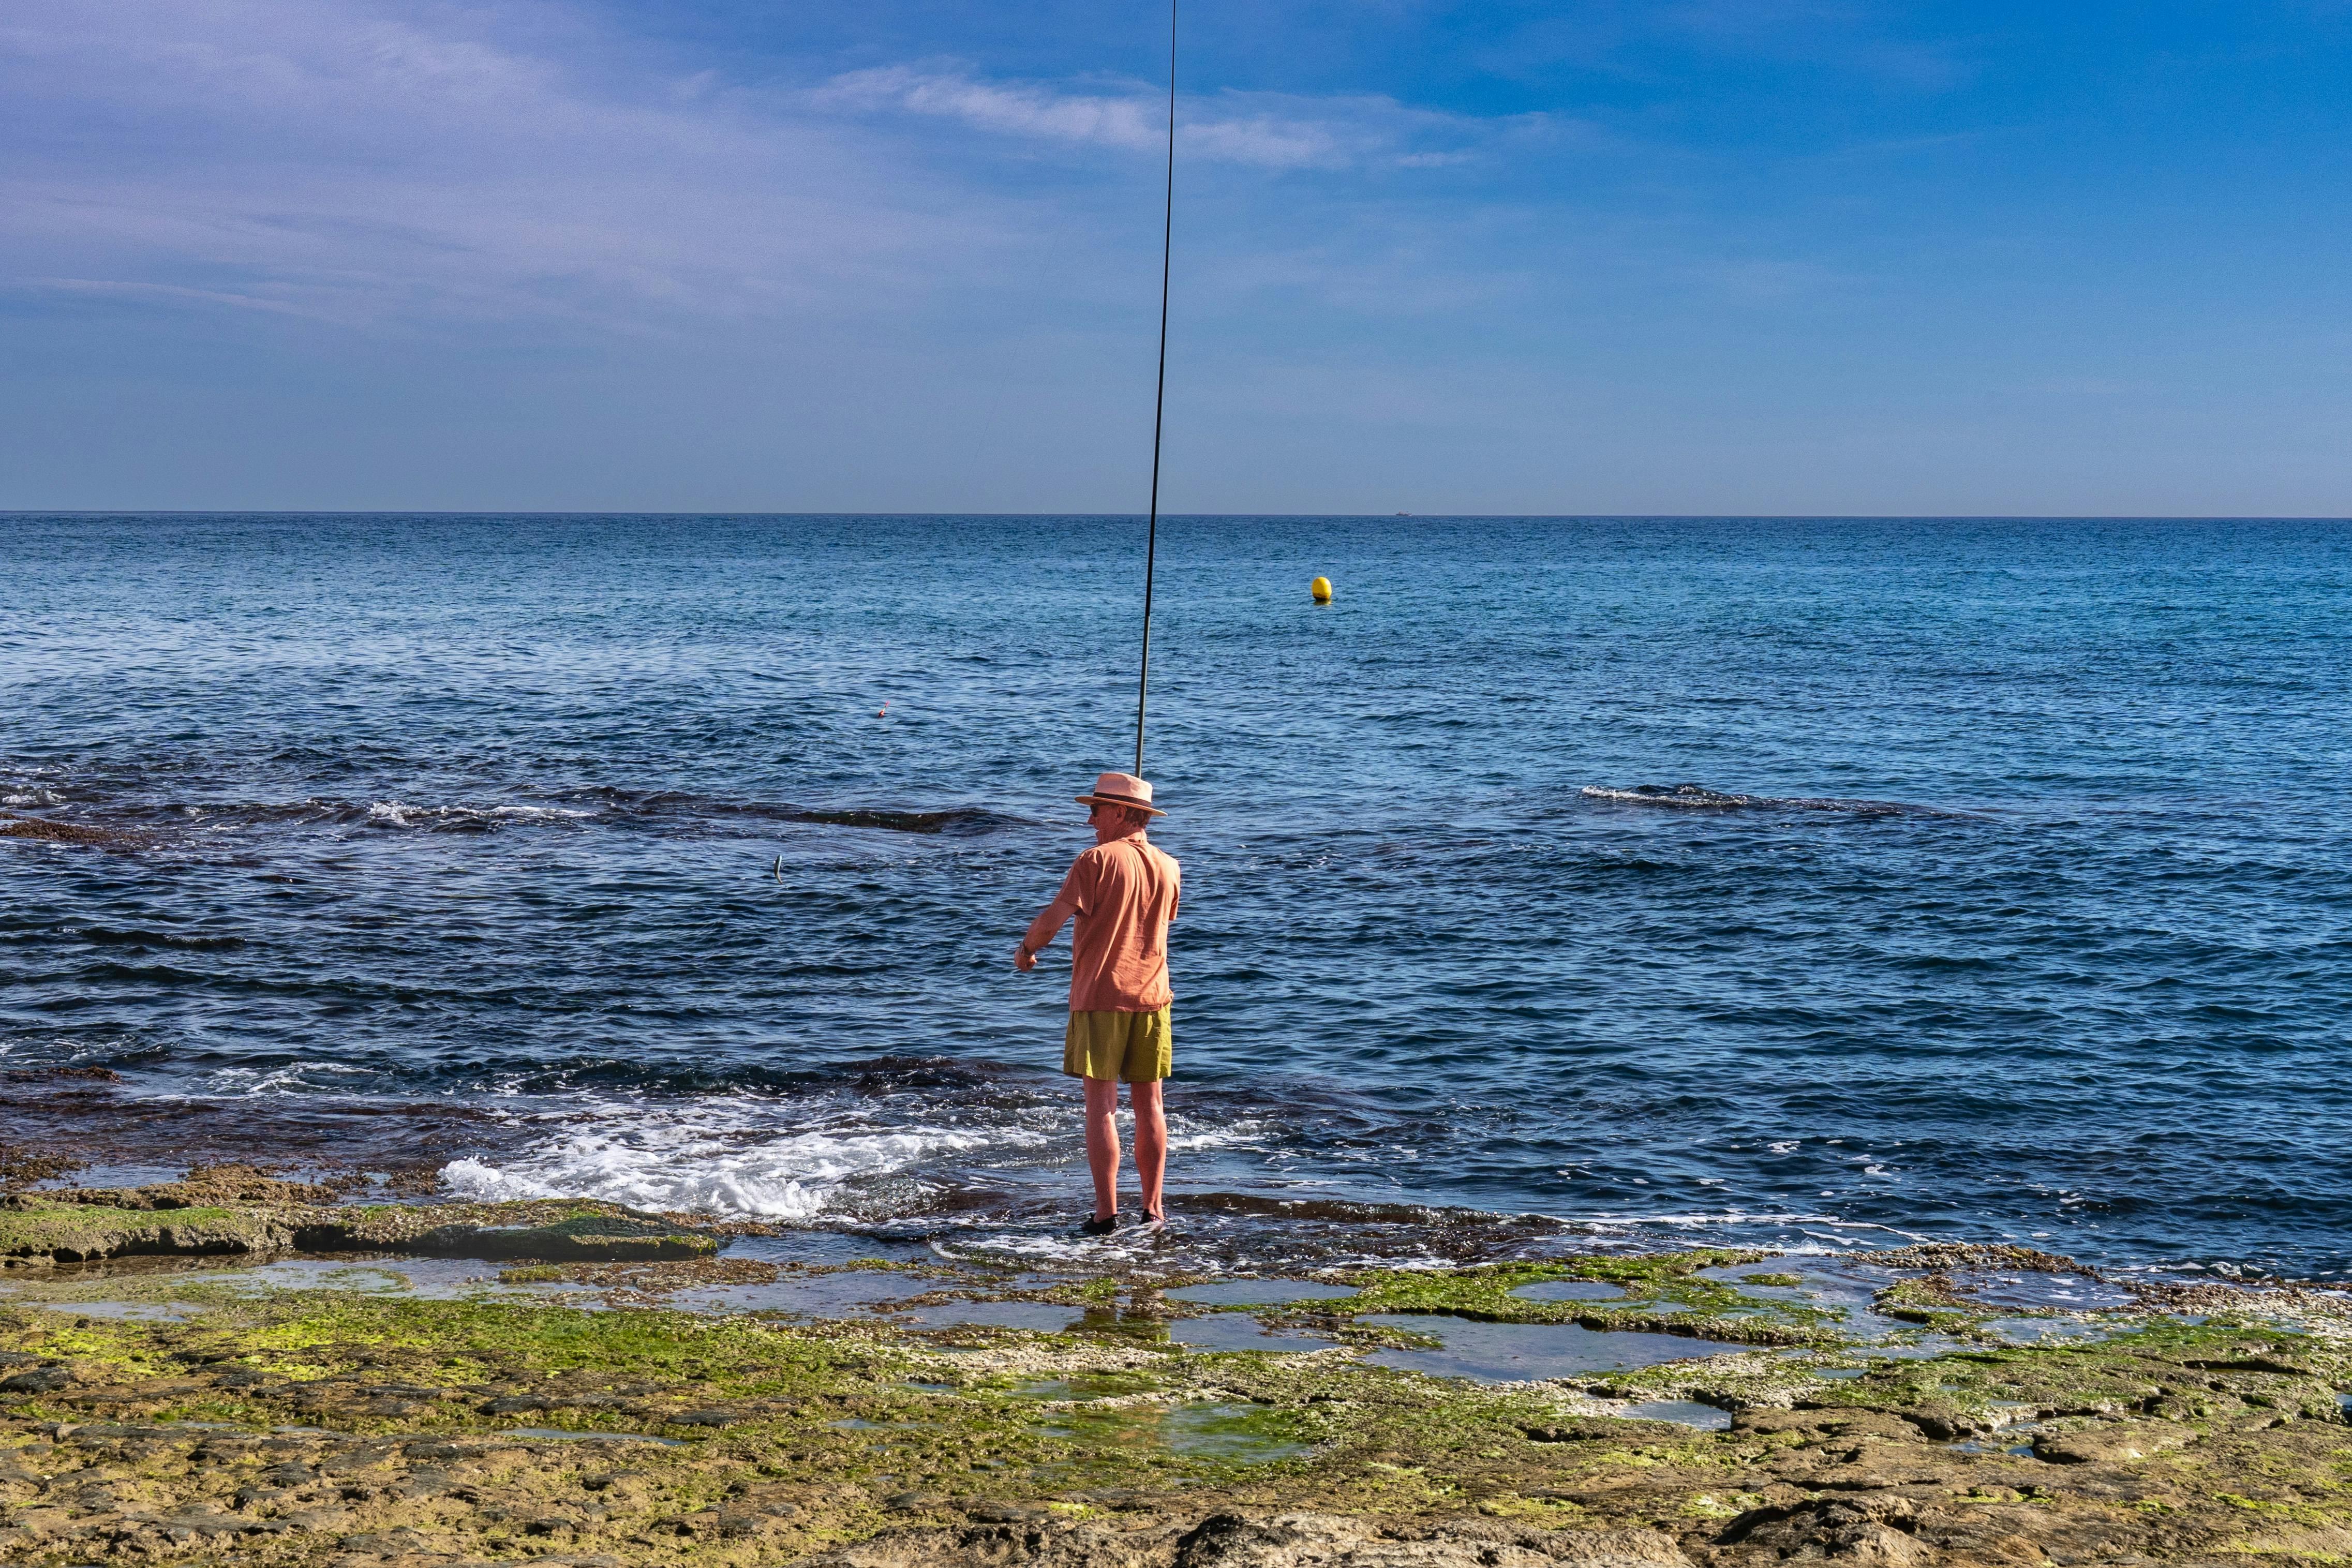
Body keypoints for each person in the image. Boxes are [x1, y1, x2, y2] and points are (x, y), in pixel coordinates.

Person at [1015, 771, 1181, 1235]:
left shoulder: (1095, 860)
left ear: (1123, 812)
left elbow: (1052, 920)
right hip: (1154, 999)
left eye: (1096, 809)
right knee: (1151, 1105)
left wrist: (1027, 949)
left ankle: (1106, 1214)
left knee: (1101, 1105)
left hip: (1101, 997)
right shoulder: (1170, 865)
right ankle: (1154, 1211)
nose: (1089, 819)